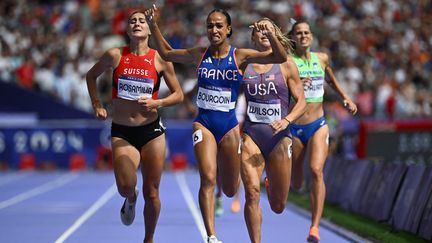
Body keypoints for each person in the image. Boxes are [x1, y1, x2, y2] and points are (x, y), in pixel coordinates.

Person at [144, 6, 287, 243]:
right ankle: (211, 235)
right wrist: (153, 26)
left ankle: (226, 180)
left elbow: (280, 57)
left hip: (229, 126)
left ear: (228, 29)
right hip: (204, 123)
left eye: (219, 25)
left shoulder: (240, 56)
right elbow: (168, 53)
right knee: (208, 178)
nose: (214, 29)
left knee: (230, 189)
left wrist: (270, 34)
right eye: (210, 25)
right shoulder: (200, 53)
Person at [85, 9, 183, 243]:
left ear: (149, 29)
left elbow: (178, 95)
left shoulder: (160, 59)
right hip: (123, 132)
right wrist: (97, 104)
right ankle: (130, 199)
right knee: (126, 187)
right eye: (133, 21)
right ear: (127, 29)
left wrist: (158, 102)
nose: (137, 23)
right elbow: (90, 76)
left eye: (142, 21)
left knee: (152, 192)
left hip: (152, 132)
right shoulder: (115, 55)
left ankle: (148, 238)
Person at [287, 20, 357, 243]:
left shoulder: (322, 58)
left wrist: (345, 97)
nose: (303, 36)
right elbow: (281, 91)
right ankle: (279, 180)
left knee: (316, 171)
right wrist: (298, 85)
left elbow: (331, 79)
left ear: (312, 36)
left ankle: (314, 228)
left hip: (318, 124)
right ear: (293, 38)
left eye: (306, 32)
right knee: (296, 184)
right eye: (299, 33)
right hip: (296, 127)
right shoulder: (288, 62)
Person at [240, 18, 306, 243]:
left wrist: (287, 120)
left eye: (268, 29)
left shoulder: (286, 65)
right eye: (258, 29)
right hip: (252, 134)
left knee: (278, 206)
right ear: (252, 37)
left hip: (279, 137)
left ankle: (270, 184)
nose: (263, 33)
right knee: (251, 193)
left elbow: (302, 102)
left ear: (276, 35)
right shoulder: (245, 63)